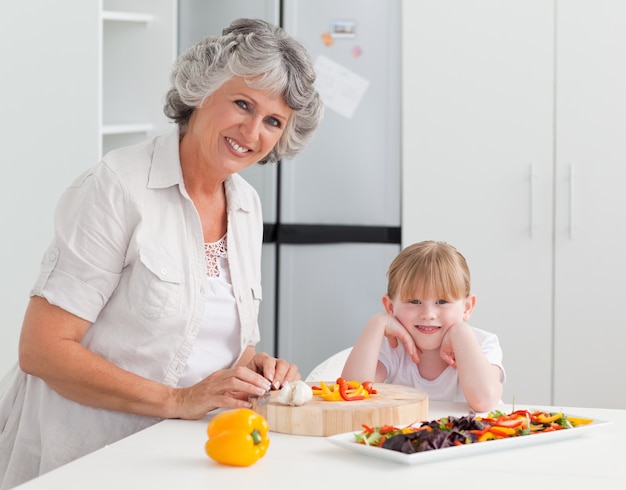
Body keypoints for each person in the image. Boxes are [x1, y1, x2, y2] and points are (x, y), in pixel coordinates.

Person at [0, 18, 323, 489]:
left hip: (185, 457)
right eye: (242, 104)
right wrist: (178, 399)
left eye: (273, 121)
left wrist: (252, 369)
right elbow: (42, 350)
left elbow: (220, 341)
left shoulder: (246, 205)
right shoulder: (117, 187)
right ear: (201, 92)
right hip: (85, 460)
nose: (252, 131)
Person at [342, 241, 505, 412]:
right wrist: (377, 323)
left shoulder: (484, 343)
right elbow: (352, 395)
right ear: (390, 307)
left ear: (467, 307)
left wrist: (460, 332)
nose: (428, 314)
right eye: (415, 301)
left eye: (442, 302)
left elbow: (483, 401)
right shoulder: (393, 348)